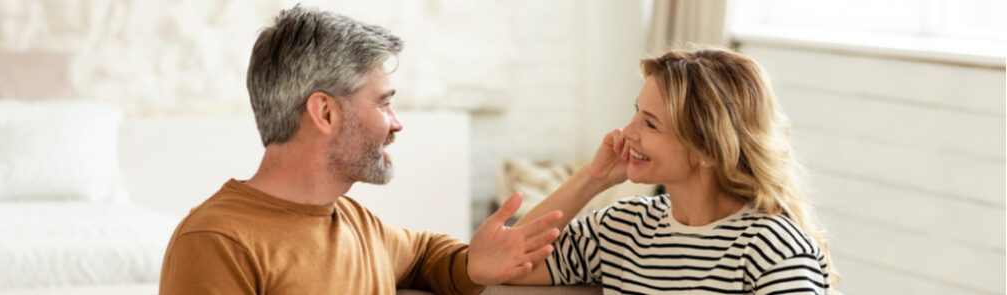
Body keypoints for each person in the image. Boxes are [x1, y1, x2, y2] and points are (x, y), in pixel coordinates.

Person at [159, 6, 563, 295]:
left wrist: (471, 264)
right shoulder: (215, 243)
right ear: (326, 113)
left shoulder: (355, 222)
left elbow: (424, 254)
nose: (396, 122)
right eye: (384, 103)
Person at [508, 48, 835, 294]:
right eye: (636, 113)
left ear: (707, 148)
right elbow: (509, 264)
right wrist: (591, 178)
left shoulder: (774, 251)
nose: (626, 132)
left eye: (650, 123)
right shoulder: (624, 228)